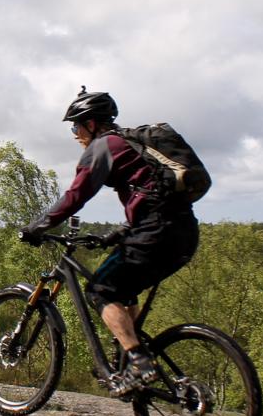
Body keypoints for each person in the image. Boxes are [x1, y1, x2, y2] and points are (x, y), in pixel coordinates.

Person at [19, 87, 200, 397]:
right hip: (184, 232)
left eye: (76, 125)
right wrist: (121, 231)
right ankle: (127, 358)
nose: (75, 134)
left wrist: (38, 226)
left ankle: (140, 363)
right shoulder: (131, 145)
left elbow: (76, 195)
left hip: (155, 232)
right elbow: (150, 194)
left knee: (101, 290)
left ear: (91, 123)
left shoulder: (105, 146)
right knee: (125, 290)